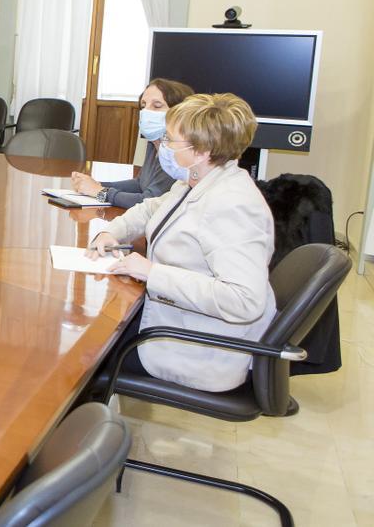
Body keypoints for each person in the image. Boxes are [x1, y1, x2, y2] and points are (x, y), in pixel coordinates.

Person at [88, 93, 276, 392]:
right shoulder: (198, 180)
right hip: (173, 319)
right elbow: (152, 207)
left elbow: (245, 301)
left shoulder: (232, 205)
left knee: (87, 354)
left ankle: (92, 431)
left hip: (196, 346)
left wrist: (153, 272)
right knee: (94, 327)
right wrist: (112, 231)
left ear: (200, 151)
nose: (163, 146)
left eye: (170, 140)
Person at [71, 78, 193, 208]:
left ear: (179, 112)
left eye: (157, 106)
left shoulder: (177, 153)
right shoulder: (154, 143)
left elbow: (148, 201)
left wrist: (100, 192)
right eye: (143, 106)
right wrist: (96, 185)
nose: (146, 111)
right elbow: (140, 184)